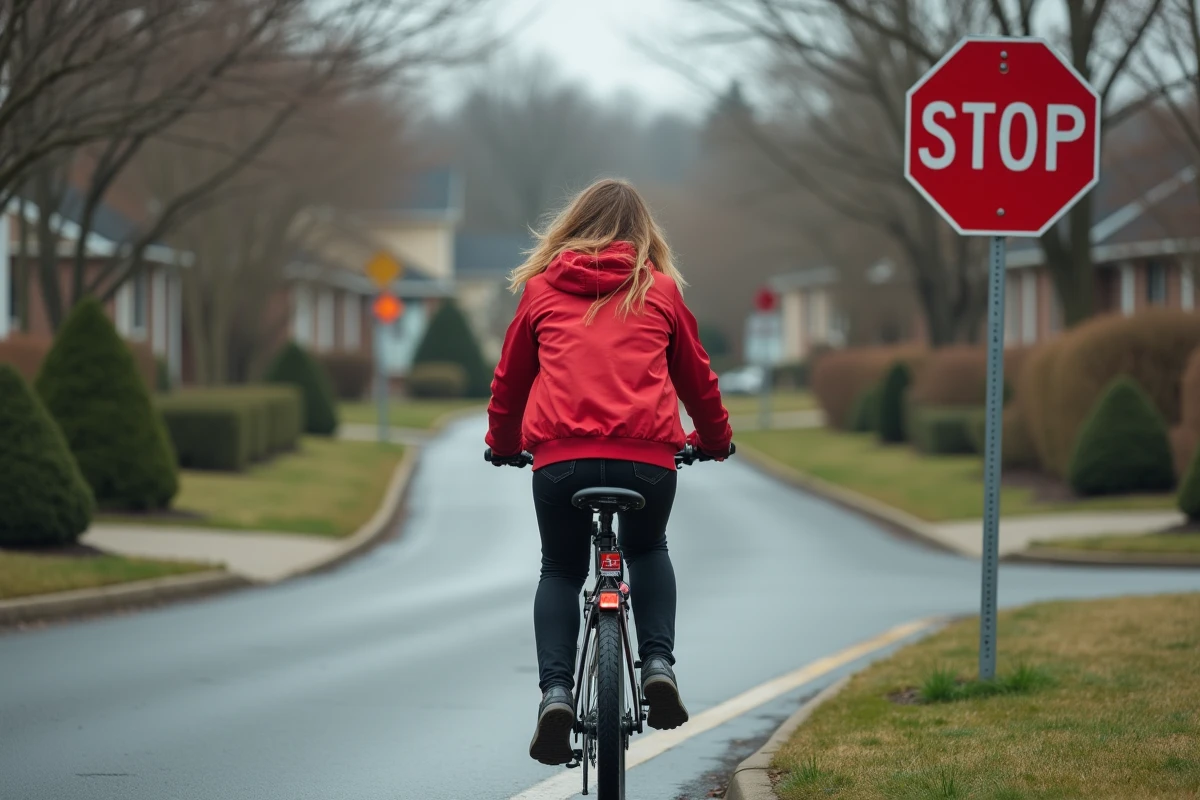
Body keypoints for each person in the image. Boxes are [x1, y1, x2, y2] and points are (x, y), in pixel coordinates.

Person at [484, 178, 733, 766]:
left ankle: (555, 694)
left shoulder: (542, 291)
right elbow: (699, 382)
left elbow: (509, 382)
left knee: (561, 568)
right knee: (648, 551)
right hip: (647, 464)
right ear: (643, 233)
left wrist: (502, 442)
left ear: (570, 226)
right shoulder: (662, 291)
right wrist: (715, 441)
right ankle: (657, 666)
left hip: (560, 464)